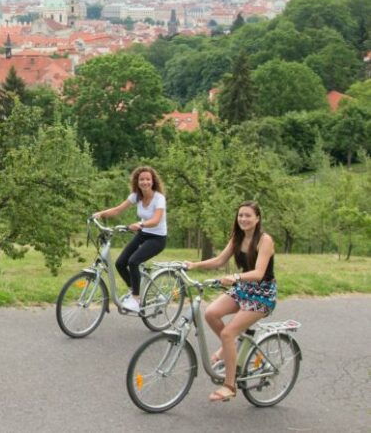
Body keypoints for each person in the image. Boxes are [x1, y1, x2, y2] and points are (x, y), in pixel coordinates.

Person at [184, 201, 276, 403]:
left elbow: (260, 273)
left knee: (227, 333)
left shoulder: (264, 240)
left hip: (262, 294)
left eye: (248, 215)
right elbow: (219, 261)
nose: (243, 219)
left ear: (257, 218)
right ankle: (229, 348)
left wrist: (235, 277)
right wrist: (193, 265)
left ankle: (229, 385)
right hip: (243, 288)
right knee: (211, 313)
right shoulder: (238, 237)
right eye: (240, 215)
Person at [93, 166, 167, 313]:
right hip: (143, 233)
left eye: (148, 179)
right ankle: (134, 290)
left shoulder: (159, 198)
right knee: (120, 263)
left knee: (133, 261)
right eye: (141, 179)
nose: (145, 182)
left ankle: (136, 299)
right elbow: (117, 209)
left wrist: (140, 224)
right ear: (137, 181)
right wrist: (100, 214)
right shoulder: (136, 196)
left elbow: (156, 220)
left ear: (153, 181)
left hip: (157, 238)